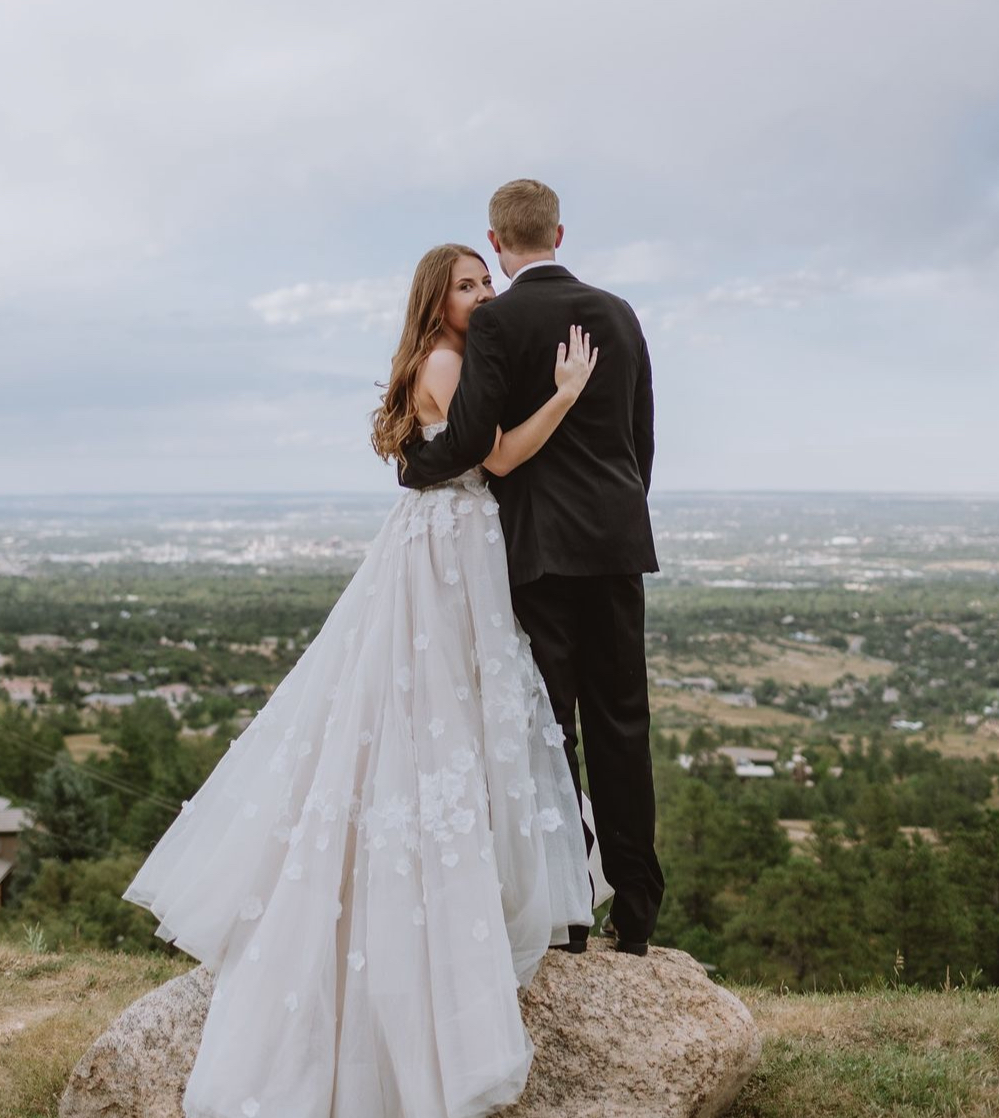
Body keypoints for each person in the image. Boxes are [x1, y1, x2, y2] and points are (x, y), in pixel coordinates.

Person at [123, 242, 597, 1118]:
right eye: (466, 284)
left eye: (486, 279)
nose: (483, 292)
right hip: (451, 552)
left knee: (437, 715)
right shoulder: (449, 363)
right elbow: (495, 461)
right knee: (445, 718)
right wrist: (566, 396)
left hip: (442, 544)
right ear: (436, 299)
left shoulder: (439, 357)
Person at [399, 180, 664, 957]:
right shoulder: (618, 314)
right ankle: (639, 912)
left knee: (555, 730)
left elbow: (476, 435)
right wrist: (618, 512)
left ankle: (572, 912)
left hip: (539, 551)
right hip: (616, 544)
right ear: (558, 232)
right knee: (624, 723)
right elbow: (639, 439)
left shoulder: (498, 321)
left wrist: (414, 464)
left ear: (498, 238)